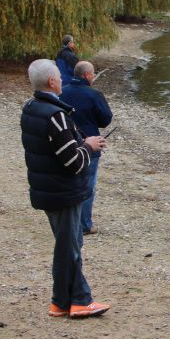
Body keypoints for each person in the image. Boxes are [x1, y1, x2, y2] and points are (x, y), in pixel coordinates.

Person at [21, 59, 110, 318]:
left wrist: (77, 141)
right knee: (69, 248)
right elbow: (74, 162)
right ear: (51, 81)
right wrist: (89, 146)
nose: (62, 79)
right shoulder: (55, 115)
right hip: (62, 191)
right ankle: (80, 300)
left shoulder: (30, 108)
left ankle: (61, 302)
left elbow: (51, 147)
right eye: (59, 76)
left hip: (45, 188)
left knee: (65, 245)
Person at [60, 61, 113, 239]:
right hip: (90, 144)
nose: (93, 76)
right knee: (87, 186)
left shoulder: (62, 91)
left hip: (65, 142)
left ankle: (68, 220)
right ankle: (84, 224)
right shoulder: (94, 94)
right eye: (92, 74)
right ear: (87, 75)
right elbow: (106, 119)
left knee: (69, 182)